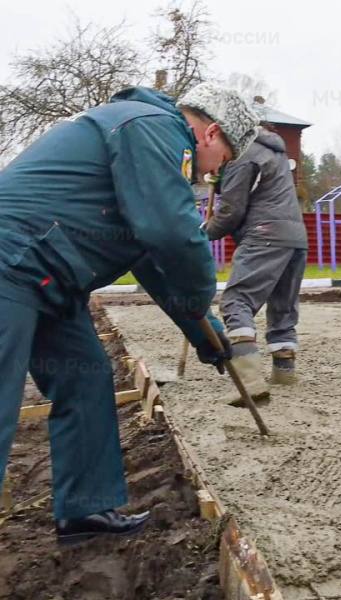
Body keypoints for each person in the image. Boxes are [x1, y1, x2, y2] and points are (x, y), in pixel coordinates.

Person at [0, 82, 259, 545]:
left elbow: (152, 263)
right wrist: (202, 294)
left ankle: (85, 510)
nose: (218, 171)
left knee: (86, 379)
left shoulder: (145, 142)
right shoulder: (154, 128)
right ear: (211, 134)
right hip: (12, 262)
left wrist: (207, 336)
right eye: (226, 158)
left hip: (48, 278)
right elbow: (172, 235)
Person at [205, 105, 308, 406]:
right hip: (295, 238)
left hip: (264, 236)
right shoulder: (273, 151)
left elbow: (231, 212)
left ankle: (249, 382)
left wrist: (201, 234)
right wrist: (221, 179)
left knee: (237, 301)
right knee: (282, 305)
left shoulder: (242, 155)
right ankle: (284, 370)